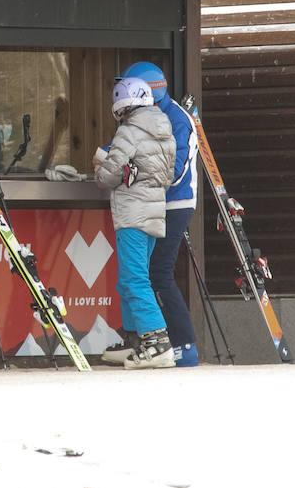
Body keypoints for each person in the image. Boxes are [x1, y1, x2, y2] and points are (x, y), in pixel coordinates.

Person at [120, 61, 201, 367]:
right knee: (142, 273)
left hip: (174, 204)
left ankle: (182, 345)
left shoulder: (178, 119)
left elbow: (175, 169)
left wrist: (134, 174)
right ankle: (143, 339)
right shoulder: (142, 117)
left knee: (158, 273)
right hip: (151, 205)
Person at [93, 76, 176, 369]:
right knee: (129, 279)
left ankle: (157, 343)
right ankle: (135, 340)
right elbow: (168, 175)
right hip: (155, 212)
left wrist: (100, 167)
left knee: (135, 279)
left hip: (132, 214)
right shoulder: (164, 131)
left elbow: (109, 175)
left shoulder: (128, 131)